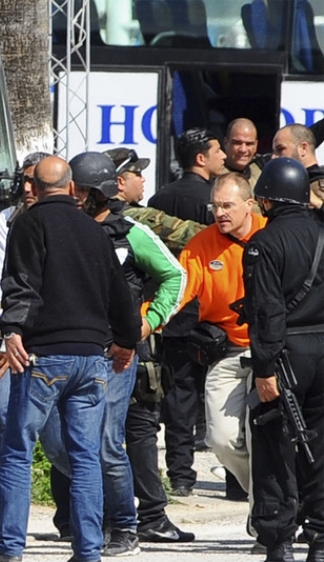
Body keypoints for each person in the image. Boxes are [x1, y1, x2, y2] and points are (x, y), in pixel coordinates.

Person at [0, 155, 140, 562]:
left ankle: (8, 546)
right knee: (85, 457)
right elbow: (121, 294)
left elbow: (22, 283)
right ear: (73, 187)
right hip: (92, 360)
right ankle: (89, 550)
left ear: (37, 189)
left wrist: (13, 331)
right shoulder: (95, 231)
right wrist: (126, 341)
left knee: (16, 451)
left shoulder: (29, 222)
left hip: (44, 356)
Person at [62, 151, 189, 554]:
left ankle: (124, 527)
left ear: (98, 192)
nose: (74, 196)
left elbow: (174, 274)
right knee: (62, 444)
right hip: (70, 351)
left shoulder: (131, 232)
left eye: (80, 189)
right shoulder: (66, 229)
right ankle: (90, 520)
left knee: (105, 443)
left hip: (117, 354)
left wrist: (149, 322)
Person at [242, 157, 324, 562]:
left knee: (275, 446)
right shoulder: (322, 234)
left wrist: (264, 367)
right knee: (320, 446)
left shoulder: (264, 243)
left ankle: (279, 539)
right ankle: (322, 538)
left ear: (268, 201)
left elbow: (266, 311)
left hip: (286, 353)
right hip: (323, 349)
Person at [178, 173, 266, 504]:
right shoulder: (201, 245)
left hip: (270, 351)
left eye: (227, 206)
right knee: (221, 440)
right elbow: (178, 294)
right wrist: (144, 320)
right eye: (215, 206)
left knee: (263, 438)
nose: (220, 213)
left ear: (249, 205)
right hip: (227, 352)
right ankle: (269, 495)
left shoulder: (271, 233)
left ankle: (265, 516)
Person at [149, 128, 224, 498]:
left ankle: (181, 475)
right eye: (217, 150)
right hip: (213, 311)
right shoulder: (216, 200)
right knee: (225, 400)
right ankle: (236, 480)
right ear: (201, 158)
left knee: (179, 398)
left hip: (173, 312)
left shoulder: (158, 197)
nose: (224, 155)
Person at [0, 151, 47, 530]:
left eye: (33, 181)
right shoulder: (7, 222)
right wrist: (8, 334)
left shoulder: (69, 220)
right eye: (22, 182)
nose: (26, 189)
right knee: (2, 408)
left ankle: (76, 507)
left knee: (61, 431)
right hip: (13, 336)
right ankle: (6, 500)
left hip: (54, 339)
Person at [105, 146, 205, 254]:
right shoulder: (139, 218)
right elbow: (187, 233)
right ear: (120, 182)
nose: (143, 179)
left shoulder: (91, 214)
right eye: (138, 174)